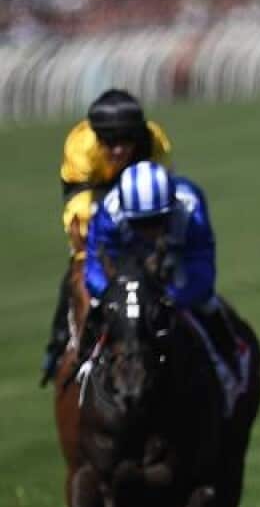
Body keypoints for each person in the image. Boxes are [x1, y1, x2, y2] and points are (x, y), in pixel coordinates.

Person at [81, 161, 243, 406]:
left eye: (157, 220)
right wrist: (116, 295)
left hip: (174, 262)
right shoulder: (108, 213)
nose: (149, 231)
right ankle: (80, 365)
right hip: (128, 270)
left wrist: (173, 298)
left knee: (208, 305)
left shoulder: (191, 206)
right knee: (94, 308)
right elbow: (94, 264)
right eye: (140, 224)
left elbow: (201, 265)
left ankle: (229, 364)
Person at [40, 89, 173, 385]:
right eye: (109, 142)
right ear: (96, 138)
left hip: (141, 194)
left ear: (138, 137)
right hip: (93, 191)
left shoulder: (155, 143)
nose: (117, 151)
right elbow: (80, 208)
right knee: (80, 265)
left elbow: (161, 194)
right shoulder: (81, 148)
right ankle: (59, 344)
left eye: (125, 142)